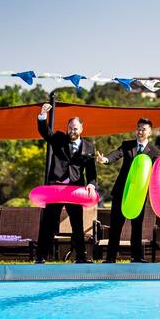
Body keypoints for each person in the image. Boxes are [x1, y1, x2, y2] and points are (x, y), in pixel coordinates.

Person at [35, 103, 97, 263]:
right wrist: (42, 115)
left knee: (77, 224)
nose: (72, 131)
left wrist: (91, 184)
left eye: (75, 128)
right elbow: (45, 132)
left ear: (81, 129)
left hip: (74, 190)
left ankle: (81, 256)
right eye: (70, 128)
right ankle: (41, 256)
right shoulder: (59, 139)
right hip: (56, 189)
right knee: (48, 223)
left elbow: (91, 170)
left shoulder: (89, 147)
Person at [96, 117, 159, 263]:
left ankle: (137, 257)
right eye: (138, 128)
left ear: (150, 132)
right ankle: (111, 257)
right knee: (116, 224)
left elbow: (157, 171)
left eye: (143, 129)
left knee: (137, 226)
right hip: (121, 192)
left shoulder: (154, 152)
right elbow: (116, 154)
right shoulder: (127, 145)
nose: (140, 131)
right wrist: (105, 159)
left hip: (139, 194)